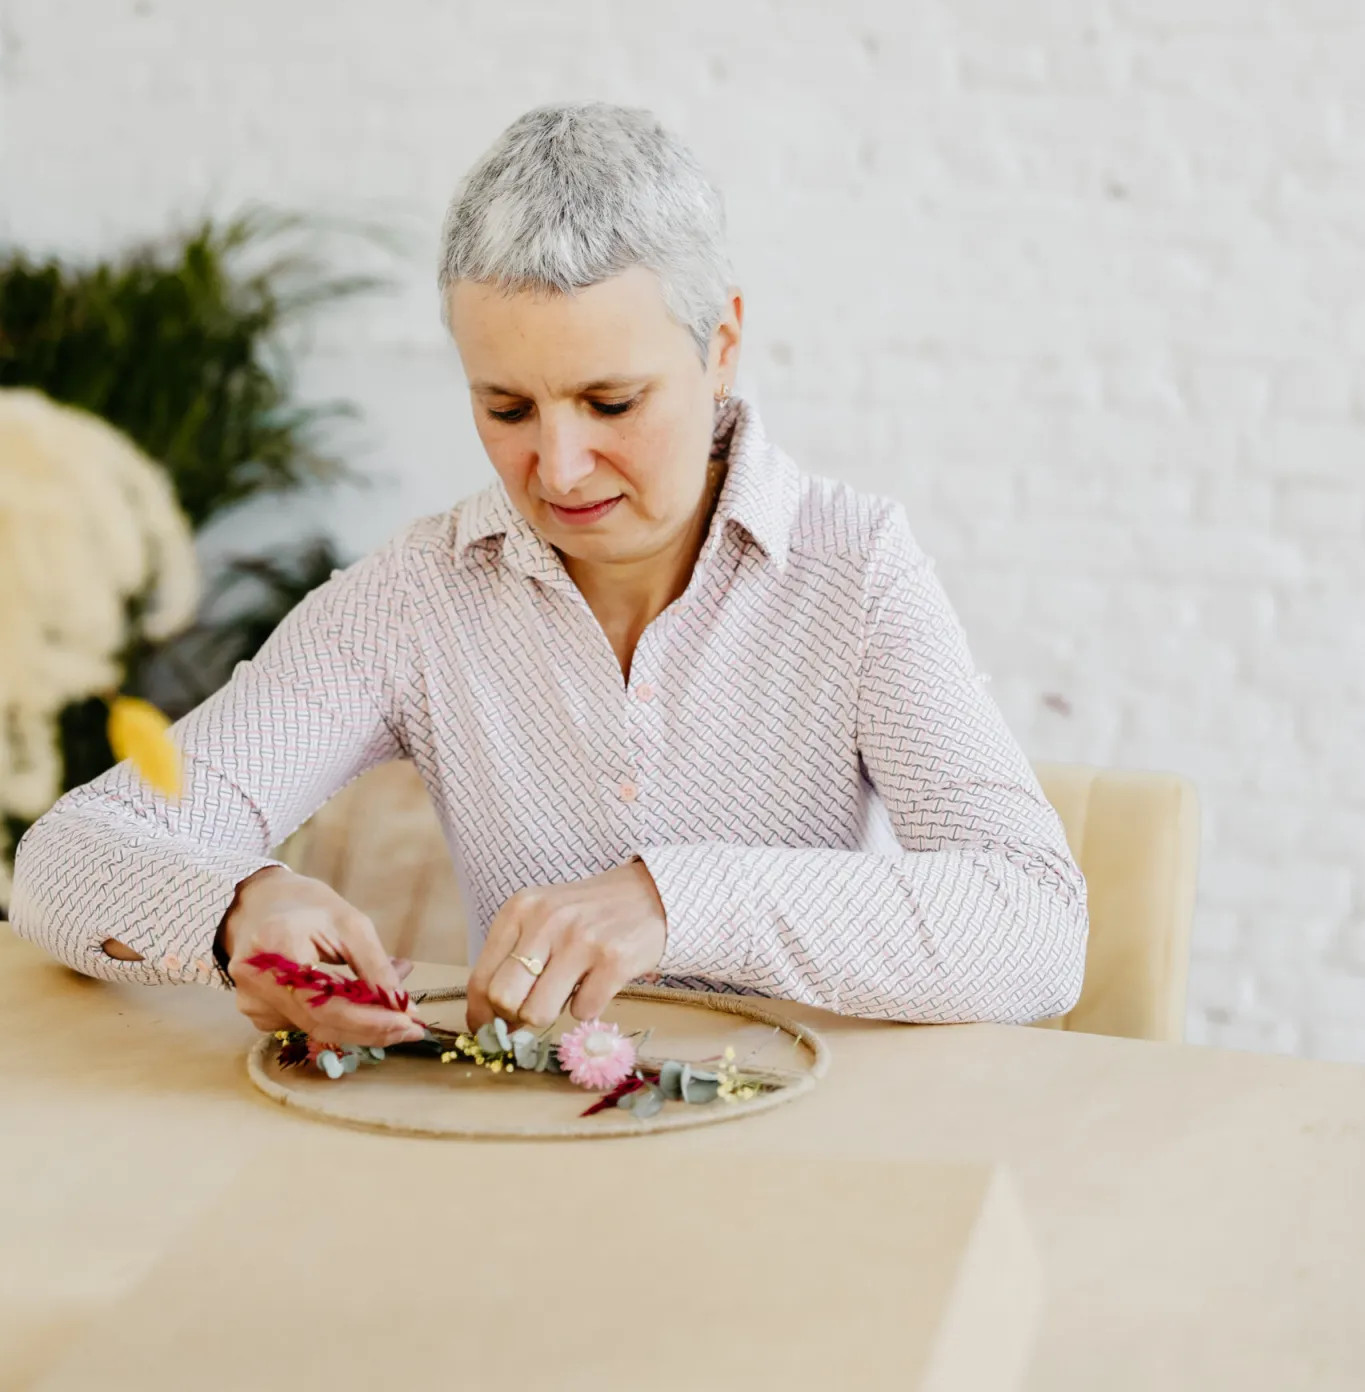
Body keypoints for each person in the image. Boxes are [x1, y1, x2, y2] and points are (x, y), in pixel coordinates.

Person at [10, 103, 1087, 1052]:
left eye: (612, 403)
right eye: (508, 408)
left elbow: (1037, 926)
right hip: (524, 1171)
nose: (558, 469)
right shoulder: (415, 597)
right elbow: (66, 860)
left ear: (722, 346)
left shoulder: (853, 566)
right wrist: (241, 906)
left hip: (797, 1168)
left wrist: (674, 897)